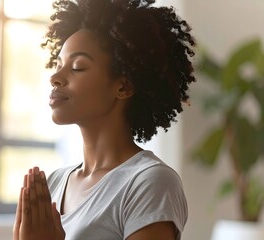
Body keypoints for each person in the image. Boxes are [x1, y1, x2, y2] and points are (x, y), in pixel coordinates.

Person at [13, 0, 196, 239]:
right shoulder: (53, 184)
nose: (56, 77)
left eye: (77, 67)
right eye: (58, 65)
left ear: (123, 86)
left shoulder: (149, 182)